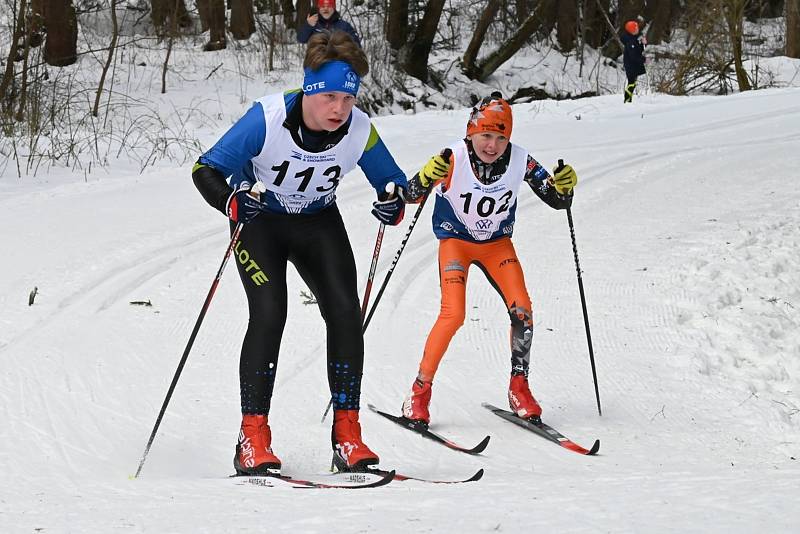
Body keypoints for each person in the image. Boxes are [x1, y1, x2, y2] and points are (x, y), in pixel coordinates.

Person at [191, 31, 407, 474]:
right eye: (329, 96)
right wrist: (231, 201)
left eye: (348, 98)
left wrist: (392, 201)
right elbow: (205, 168)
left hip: (317, 222)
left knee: (347, 313)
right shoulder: (267, 119)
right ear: (308, 89)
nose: (339, 109)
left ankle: (347, 435)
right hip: (260, 224)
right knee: (270, 314)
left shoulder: (359, 129)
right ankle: (252, 437)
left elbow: (393, 184)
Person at [400, 93, 578, 425]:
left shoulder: (521, 160)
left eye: (500, 137)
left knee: (522, 309)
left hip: (497, 245)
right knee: (453, 315)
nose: (492, 145)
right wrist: (426, 176)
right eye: (485, 135)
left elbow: (556, 200)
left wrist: (566, 188)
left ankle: (519, 387)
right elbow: (410, 195)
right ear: (471, 132)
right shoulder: (453, 156)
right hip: (456, 241)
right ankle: (419, 393)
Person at [622, 19, 646, 103]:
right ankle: (627, 99)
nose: (638, 30)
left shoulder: (635, 37)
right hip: (630, 64)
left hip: (633, 64)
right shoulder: (630, 42)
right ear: (632, 31)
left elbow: (640, 48)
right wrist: (644, 59)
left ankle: (628, 99)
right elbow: (634, 56)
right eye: (636, 29)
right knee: (631, 82)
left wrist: (644, 43)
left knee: (633, 82)